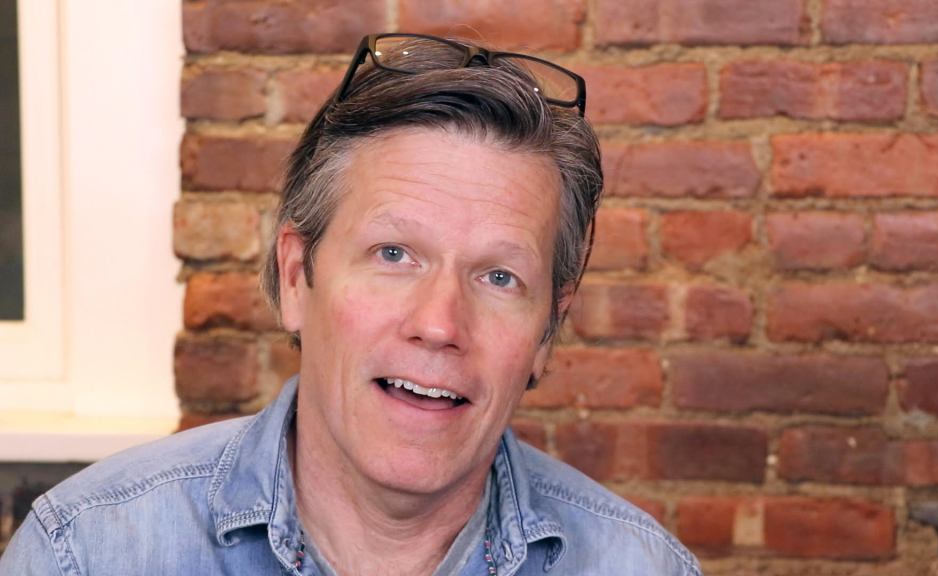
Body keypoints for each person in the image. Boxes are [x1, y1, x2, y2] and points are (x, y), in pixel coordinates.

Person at [0, 33, 702, 575]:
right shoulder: (87, 551)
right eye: (394, 254)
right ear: (296, 277)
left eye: (498, 277)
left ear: (548, 330)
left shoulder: (640, 567)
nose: (439, 324)